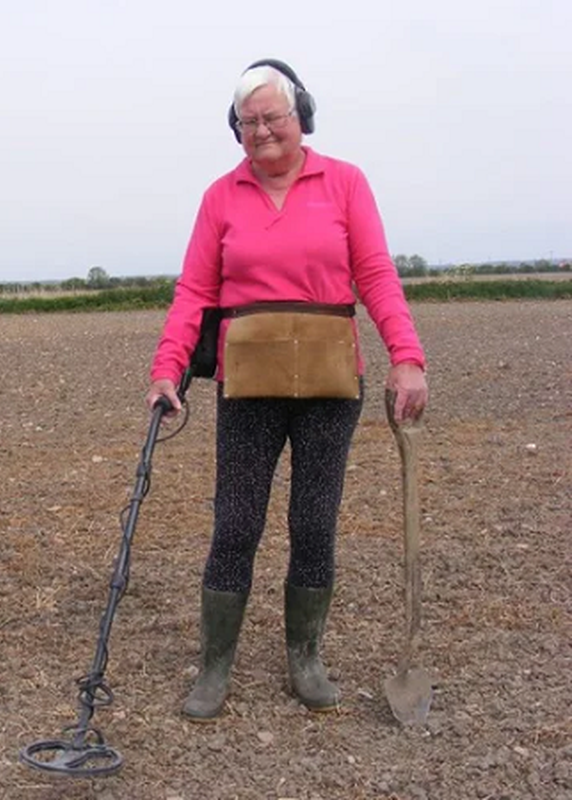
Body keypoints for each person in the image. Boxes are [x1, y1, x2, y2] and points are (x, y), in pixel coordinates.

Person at [145, 58, 428, 720]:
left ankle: (304, 656)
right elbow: (193, 290)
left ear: (300, 114)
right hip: (251, 383)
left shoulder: (345, 183)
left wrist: (405, 357)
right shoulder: (220, 196)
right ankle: (214, 665)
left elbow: (375, 275)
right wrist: (168, 366)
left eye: (273, 117)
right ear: (234, 130)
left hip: (331, 382)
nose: (263, 132)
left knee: (313, 521)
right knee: (236, 522)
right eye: (248, 123)